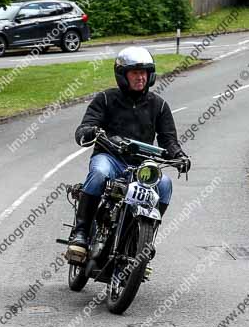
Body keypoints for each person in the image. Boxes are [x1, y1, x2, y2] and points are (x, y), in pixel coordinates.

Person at [66, 46, 191, 263]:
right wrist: (89, 132)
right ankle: (81, 232)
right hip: (110, 158)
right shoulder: (105, 99)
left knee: (165, 185)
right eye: (134, 73)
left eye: (144, 72)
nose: (140, 77)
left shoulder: (159, 105)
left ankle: (144, 240)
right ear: (123, 76)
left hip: (142, 167)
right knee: (99, 173)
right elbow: (86, 126)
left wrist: (179, 155)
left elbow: (168, 139)